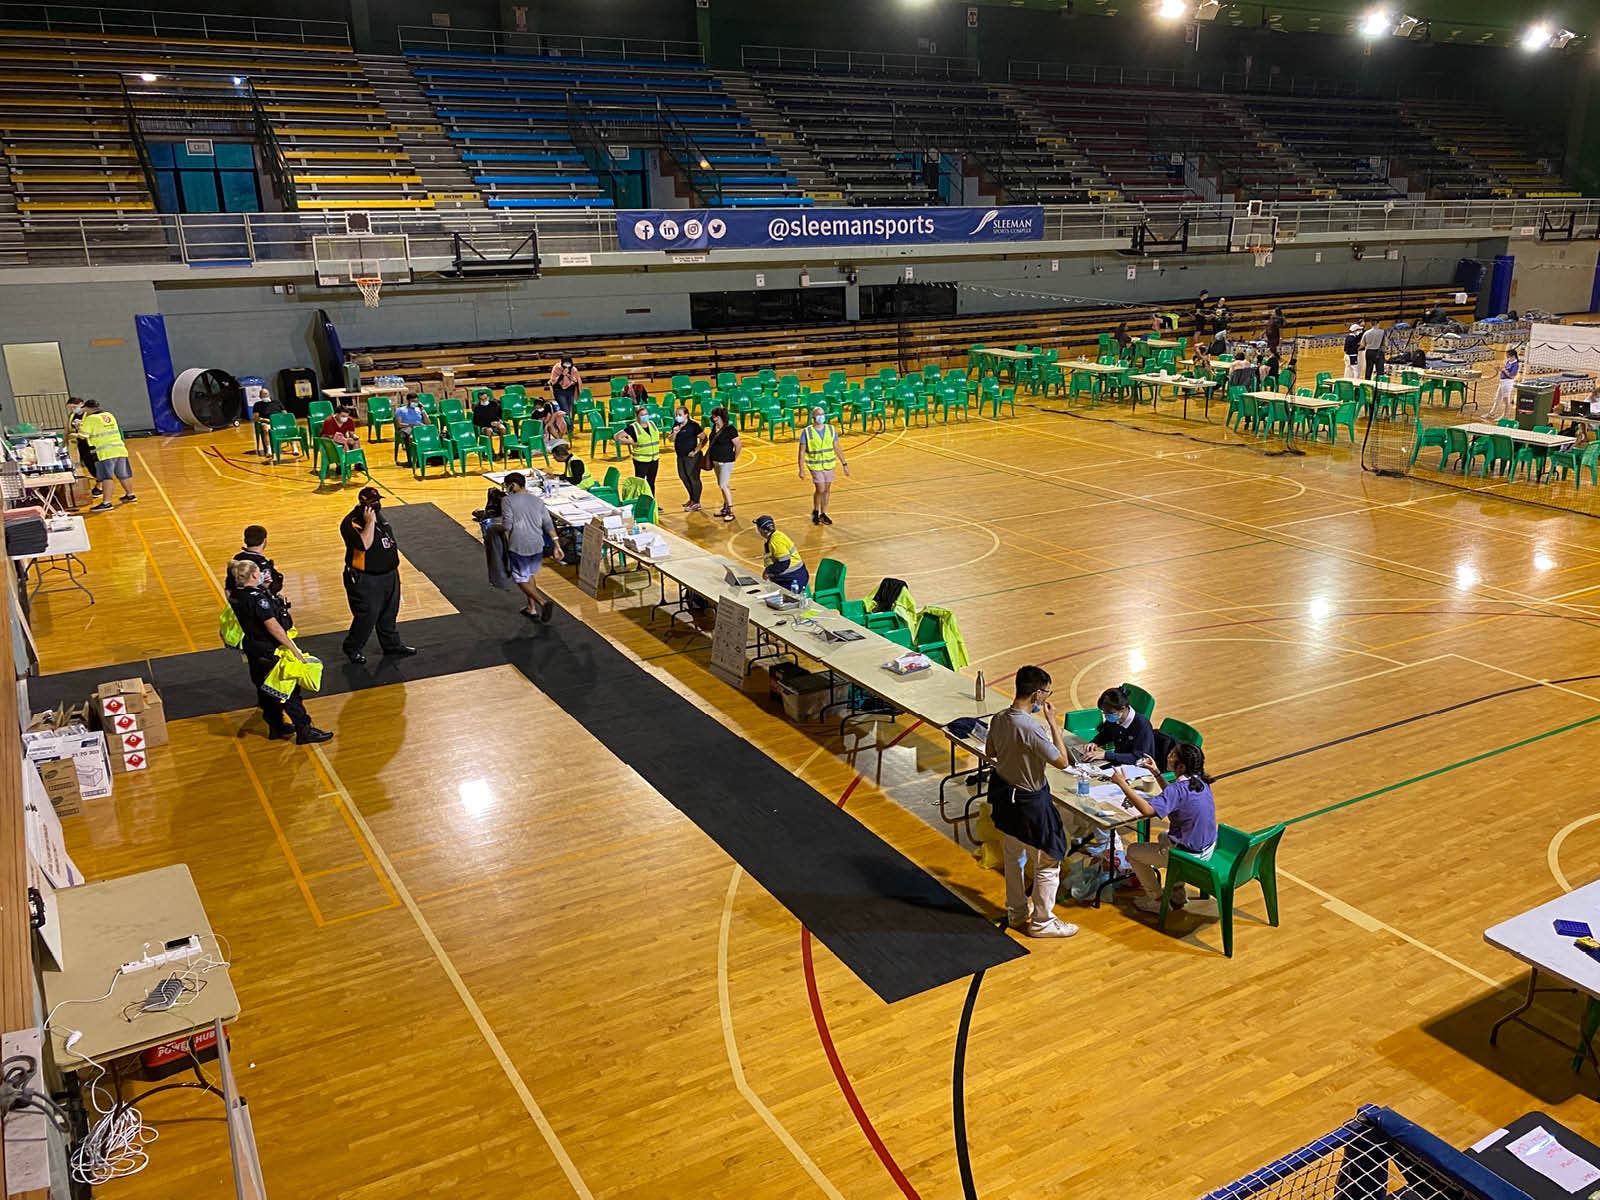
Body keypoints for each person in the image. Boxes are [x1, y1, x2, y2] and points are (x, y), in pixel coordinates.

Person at [983, 666, 1078, 938]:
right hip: (1030, 802)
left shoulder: (999, 718)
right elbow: (1062, 761)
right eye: (1046, 692)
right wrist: (1053, 725)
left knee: (1013, 856)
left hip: (1005, 796)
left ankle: (1016, 911)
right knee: (1048, 859)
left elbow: (991, 751)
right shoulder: (1031, 728)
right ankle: (1042, 921)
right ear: (1037, 694)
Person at [228, 558, 332, 745]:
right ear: (253, 575)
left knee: (267, 690)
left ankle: (276, 726)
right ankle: (304, 730)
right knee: (290, 690)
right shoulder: (258, 599)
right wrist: (295, 652)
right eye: (259, 572)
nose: (262, 574)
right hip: (270, 650)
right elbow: (274, 628)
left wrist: (265, 589)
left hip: (253, 648)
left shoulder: (236, 595)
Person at [1110, 742, 1217, 914]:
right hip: (1206, 847)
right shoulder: (1202, 782)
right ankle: (1178, 891)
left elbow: (1147, 810)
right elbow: (1176, 798)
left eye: (1173, 754)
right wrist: (1157, 774)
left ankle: (1157, 900)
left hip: (1188, 856)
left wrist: (1122, 784)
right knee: (1163, 837)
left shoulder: (1176, 789)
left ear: (1181, 766)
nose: (1169, 755)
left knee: (1133, 851)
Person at [339, 485, 418, 665]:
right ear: (363, 504)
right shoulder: (352, 522)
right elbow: (364, 544)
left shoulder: (378, 516)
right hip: (365, 578)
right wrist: (370, 522)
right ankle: (352, 647)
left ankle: (391, 645)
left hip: (389, 574)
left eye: (378, 501)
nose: (376, 505)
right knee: (368, 616)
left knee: (389, 612)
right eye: (373, 502)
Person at [497, 472, 563, 621]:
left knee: (519, 578)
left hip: (520, 544)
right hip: (537, 544)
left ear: (513, 485)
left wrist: (507, 543)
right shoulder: (537, 500)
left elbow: (508, 524)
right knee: (529, 574)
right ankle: (531, 608)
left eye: (507, 485)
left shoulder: (508, 501)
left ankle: (542, 602)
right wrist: (556, 544)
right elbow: (548, 523)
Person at [77, 399, 134, 511]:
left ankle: (106, 502)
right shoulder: (109, 415)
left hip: (105, 452)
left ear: (88, 408)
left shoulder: (90, 419)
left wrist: (78, 428)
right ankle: (130, 495)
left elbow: (83, 436)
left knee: (106, 477)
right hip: (119, 449)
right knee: (123, 474)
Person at [1078, 686, 1156, 766]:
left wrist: (1105, 755)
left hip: (1136, 768)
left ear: (1123, 708)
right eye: (1104, 712)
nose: (1106, 716)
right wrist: (1095, 742)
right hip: (1118, 763)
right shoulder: (1115, 719)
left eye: (1110, 713)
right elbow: (1107, 733)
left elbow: (1140, 758)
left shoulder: (1142, 725)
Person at [798, 405, 848, 526]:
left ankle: (823, 513)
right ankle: (815, 510)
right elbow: (801, 452)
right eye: (819, 414)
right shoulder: (807, 432)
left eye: (823, 414)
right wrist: (801, 469)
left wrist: (844, 463)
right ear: (813, 417)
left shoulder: (831, 429)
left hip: (828, 464)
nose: (821, 416)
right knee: (820, 488)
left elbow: (836, 447)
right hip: (815, 465)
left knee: (827, 489)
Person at [702, 406, 741, 523]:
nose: (712, 418)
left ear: (719, 417)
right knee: (722, 484)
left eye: (714, 416)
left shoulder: (730, 429)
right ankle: (725, 507)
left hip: (726, 462)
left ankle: (730, 510)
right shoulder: (714, 428)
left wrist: (734, 458)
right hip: (716, 461)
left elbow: (738, 445)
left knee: (723, 485)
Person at [225, 525, 282, 598]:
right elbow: (271, 588)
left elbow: (228, 588)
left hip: (239, 601)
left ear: (245, 540)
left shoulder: (237, 559)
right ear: (264, 541)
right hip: (257, 605)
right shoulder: (262, 564)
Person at [754, 515, 808, 593]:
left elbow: (784, 563)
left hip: (792, 578)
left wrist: (768, 571)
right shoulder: (775, 536)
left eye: (758, 528)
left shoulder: (775, 541)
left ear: (763, 530)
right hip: (791, 576)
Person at [615, 404, 661, 492]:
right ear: (637, 416)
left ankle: (652, 503)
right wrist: (631, 442)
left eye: (646, 414)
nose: (645, 417)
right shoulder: (633, 427)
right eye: (642, 415)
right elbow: (618, 436)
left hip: (654, 459)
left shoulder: (653, 424)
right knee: (640, 483)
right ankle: (639, 501)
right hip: (641, 460)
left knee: (651, 482)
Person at [65, 396, 100, 499]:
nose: (73, 409)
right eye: (71, 407)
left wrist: (79, 428)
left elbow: (88, 431)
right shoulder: (72, 415)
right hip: (80, 444)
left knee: (95, 465)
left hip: (90, 443)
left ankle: (100, 487)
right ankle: (98, 483)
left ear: (81, 404)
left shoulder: (88, 415)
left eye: (75, 406)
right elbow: (67, 428)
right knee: (87, 464)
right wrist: (65, 440)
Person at [672, 403, 703, 513]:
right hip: (680, 456)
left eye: (680, 414)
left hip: (692, 457)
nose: (677, 416)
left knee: (693, 478)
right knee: (683, 476)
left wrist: (696, 451)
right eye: (676, 414)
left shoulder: (694, 426)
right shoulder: (676, 425)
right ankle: (692, 498)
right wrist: (675, 433)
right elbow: (671, 439)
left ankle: (696, 502)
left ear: (686, 415)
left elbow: (704, 438)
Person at [1489, 348, 1520, 419]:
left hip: (1507, 383)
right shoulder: (1508, 361)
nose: (1506, 356)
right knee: (1497, 398)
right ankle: (1492, 413)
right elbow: (1505, 370)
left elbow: (1512, 376)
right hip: (1502, 382)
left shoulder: (1516, 364)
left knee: (1506, 400)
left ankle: (1504, 416)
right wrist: (1499, 369)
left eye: (1508, 355)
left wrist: (1504, 370)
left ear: (1513, 355)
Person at [548, 355, 582, 420]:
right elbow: (554, 381)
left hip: (570, 391)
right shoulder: (556, 368)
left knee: (570, 409)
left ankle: (568, 426)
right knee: (565, 410)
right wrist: (562, 374)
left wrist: (571, 378)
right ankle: (567, 426)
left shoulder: (573, 369)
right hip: (559, 391)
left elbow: (577, 381)